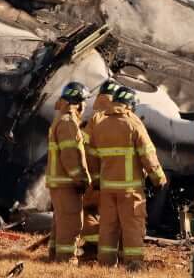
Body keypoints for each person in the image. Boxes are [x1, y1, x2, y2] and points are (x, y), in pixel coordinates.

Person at [88, 85, 166, 271]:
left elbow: (92, 158)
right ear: (130, 104)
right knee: (132, 226)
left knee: (108, 227)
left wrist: (97, 181)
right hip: (130, 190)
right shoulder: (133, 124)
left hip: (107, 189)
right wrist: (159, 179)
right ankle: (134, 264)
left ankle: (105, 264)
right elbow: (148, 154)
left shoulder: (100, 125)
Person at [47, 82, 90, 264]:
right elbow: (70, 155)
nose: (85, 105)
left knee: (61, 222)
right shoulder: (68, 122)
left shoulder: (61, 119)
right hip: (67, 182)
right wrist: (80, 179)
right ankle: (66, 261)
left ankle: (54, 256)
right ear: (78, 102)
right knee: (71, 223)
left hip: (59, 182)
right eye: (84, 101)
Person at [81, 79, 120, 255]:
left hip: (94, 176)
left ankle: (92, 246)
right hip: (116, 177)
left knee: (89, 211)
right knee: (112, 214)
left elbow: (84, 147)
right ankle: (111, 249)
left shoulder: (94, 119)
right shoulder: (123, 119)